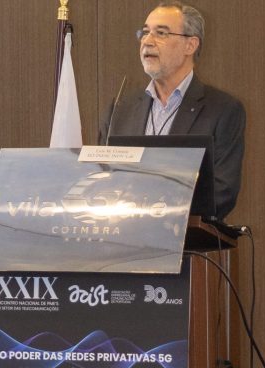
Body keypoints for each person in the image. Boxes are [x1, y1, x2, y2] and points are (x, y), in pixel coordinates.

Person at [100, 1, 246, 219]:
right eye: (145, 32)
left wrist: (156, 210)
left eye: (161, 33)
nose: (147, 41)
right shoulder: (120, 109)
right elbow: (102, 176)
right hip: (124, 234)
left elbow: (222, 192)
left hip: (184, 235)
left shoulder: (223, 110)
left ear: (190, 45)